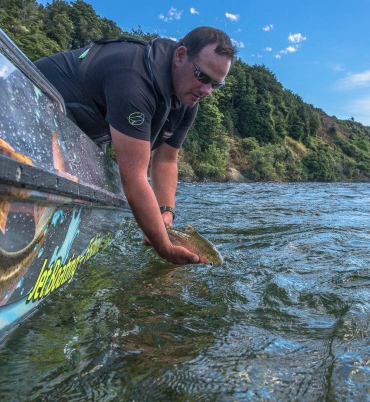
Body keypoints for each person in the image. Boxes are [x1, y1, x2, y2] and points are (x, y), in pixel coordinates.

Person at [34, 26, 235, 265]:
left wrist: (165, 213)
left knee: (87, 201)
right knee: (52, 195)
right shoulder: (133, 79)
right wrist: (165, 248)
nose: (207, 91)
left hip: (76, 130)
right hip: (28, 100)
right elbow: (134, 178)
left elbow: (166, 160)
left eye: (215, 84)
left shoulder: (188, 101)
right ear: (180, 56)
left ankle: (52, 259)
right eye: (202, 77)